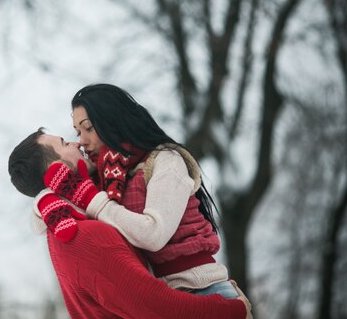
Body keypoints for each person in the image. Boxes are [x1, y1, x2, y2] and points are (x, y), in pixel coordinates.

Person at [8, 130, 252, 319]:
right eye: (63, 143)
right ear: (57, 170)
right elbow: (154, 306)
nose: (76, 143)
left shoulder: (65, 228)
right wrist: (230, 310)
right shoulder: (84, 235)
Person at [46, 82, 234, 297]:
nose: (82, 141)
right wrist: (45, 199)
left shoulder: (165, 160)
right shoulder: (104, 179)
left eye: (88, 128)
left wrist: (92, 199)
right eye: (78, 131)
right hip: (163, 298)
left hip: (204, 290)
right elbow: (41, 222)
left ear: (113, 120)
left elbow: (153, 235)